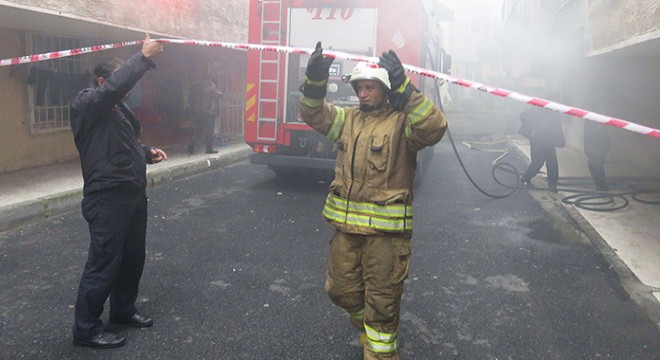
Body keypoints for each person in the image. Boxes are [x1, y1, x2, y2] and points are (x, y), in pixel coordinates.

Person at [298, 42, 447, 360]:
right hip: (346, 231)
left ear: (385, 88)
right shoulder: (348, 120)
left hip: (385, 238)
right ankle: (370, 332)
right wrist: (315, 81)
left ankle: (379, 352)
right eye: (359, 87)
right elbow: (312, 112)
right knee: (339, 290)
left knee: (381, 306)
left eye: (370, 87)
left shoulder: (402, 124)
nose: (363, 94)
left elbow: (434, 127)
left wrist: (406, 90)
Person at [69, 33, 167, 349]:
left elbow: (124, 143)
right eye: (119, 82)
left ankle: (123, 309)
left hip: (132, 192)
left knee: (132, 257)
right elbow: (111, 91)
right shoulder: (86, 103)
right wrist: (142, 58)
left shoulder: (119, 111)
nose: (128, 89)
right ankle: (86, 329)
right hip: (107, 195)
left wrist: (145, 151)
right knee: (104, 261)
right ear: (101, 81)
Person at [518, 97, 565, 191]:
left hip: (548, 140)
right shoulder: (534, 112)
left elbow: (556, 126)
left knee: (551, 162)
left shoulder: (550, 112)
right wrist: (532, 133)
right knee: (538, 162)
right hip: (538, 142)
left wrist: (559, 140)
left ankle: (552, 183)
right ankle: (525, 178)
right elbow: (524, 124)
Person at [188, 77, 222, 154]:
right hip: (209, 114)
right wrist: (214, 87)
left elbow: (189, 101)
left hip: (198, 114)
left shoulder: (195, 90)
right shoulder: (210, 89)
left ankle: (191, 147)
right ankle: (209, 149)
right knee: (210, 132)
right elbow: (220, 95)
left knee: (198, 131)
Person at [583, 120, 610, 191]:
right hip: (593, 150)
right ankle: (600, 186)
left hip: (597, 150)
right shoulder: (590, 124)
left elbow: (601, 137)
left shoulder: (597, 125)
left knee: (597, 167)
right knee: (594, 167)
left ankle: (602, 186)